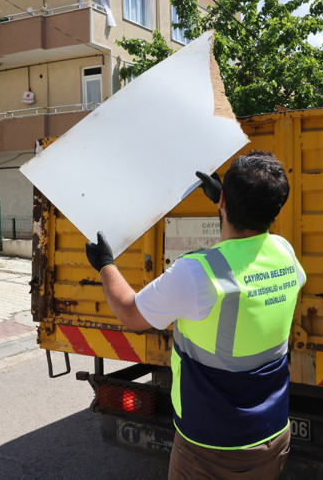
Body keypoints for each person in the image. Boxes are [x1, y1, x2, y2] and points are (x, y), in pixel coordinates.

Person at [85, 150, 306, 480]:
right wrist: (228, 201)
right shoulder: (284, 253)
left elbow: (131, 313)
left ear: (224, 203)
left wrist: (105, 264)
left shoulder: (200, 273)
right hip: (271, 433)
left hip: (212, 447)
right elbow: (248, 242)